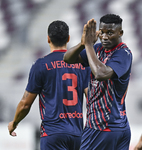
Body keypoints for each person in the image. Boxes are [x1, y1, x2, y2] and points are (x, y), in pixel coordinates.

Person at [8, 20, 90, 150]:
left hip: (53, 134)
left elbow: (25, 104)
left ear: (48, 39)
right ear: (68, 38)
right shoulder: (82, 64)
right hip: (78, 134)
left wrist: (14, 122)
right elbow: (90, 97)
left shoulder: (41, 65)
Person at [63, 14, 132, 150]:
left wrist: (88, 45)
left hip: (101, 125)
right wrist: (83, 43)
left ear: (121, 33)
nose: (105, 37)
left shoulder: (123, 53)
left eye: (110, 33)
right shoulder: (98, 49)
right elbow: (68, 58)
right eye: (102, 32)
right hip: (118, 126)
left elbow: (101, 73)